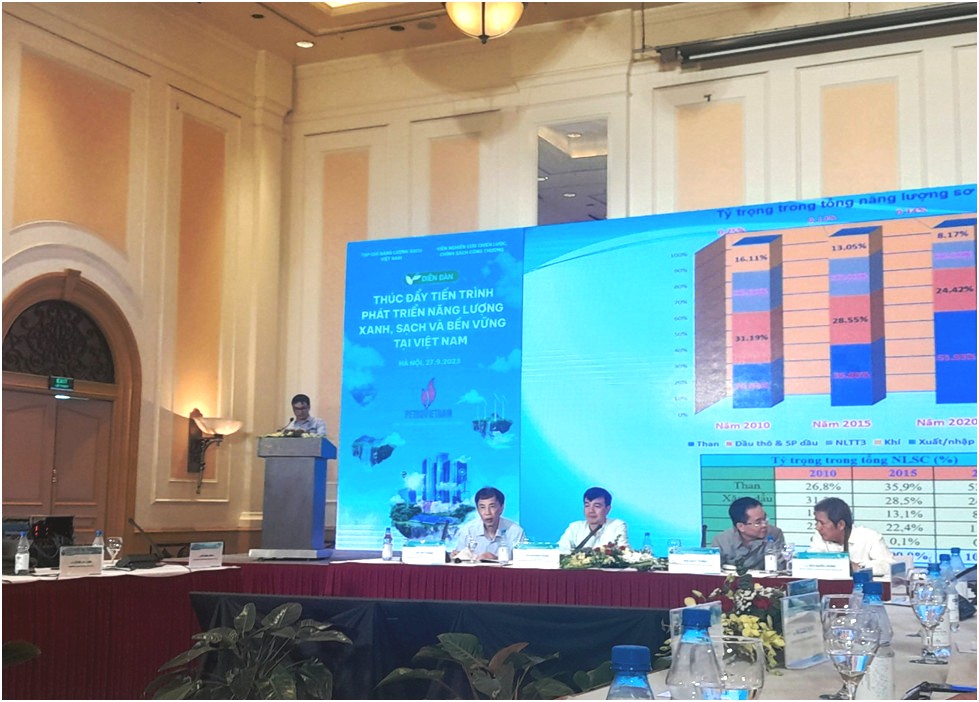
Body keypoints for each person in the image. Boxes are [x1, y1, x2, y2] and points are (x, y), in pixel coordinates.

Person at [809, 497, 896, 577]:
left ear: (840, 525)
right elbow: (810, 562)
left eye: (822, 523)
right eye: (817, 522)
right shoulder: (819, 537)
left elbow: (890, 566)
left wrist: (859, 567)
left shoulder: (870, 537)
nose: (817, 528)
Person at [710, 496, 785, 571]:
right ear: (741, 526)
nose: (764, 525)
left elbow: (780, 568)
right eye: (758, 522)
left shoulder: (774, 533)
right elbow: (714, 571)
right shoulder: (721, 541)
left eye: (765, 519)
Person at [452, 486, 525, 562]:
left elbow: (521, 563)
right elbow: (459, 560)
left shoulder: (516, 532)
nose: (487, 512)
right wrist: (455, 557)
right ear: (477, 509)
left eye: (492, 506)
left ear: (501, 508)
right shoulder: (468, 530)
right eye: (482, 507)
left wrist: (496, 560)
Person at [558, 487, 629, 553]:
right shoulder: (575, 527)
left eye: (597, 506)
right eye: (587, 506)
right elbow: (560, 550)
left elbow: (623, 552)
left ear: (607, 509)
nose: (591, 510)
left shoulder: (617, 526)